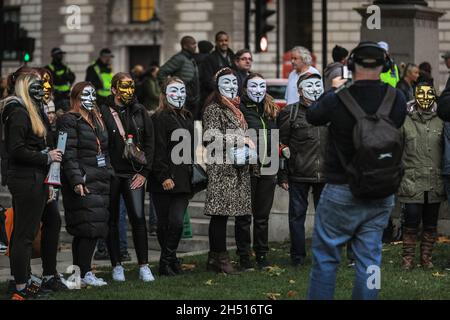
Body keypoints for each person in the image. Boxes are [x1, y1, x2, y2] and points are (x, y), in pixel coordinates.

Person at [305, 42, 407, 300]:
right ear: (385, 66)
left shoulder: (337, 98)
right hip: (381, 190)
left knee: (326, 259)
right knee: (370, 259)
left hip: (341, 188)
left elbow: (313, 116)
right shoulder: (396, 99)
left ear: (350, 65)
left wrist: (336, 89)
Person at [2, 72, 63, 299]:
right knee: (24, 234)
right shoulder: (17, 111)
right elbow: (16, 150)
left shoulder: (33, 110)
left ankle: (45, 276)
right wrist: (46, 157)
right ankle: (21, 286)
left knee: (52, 220)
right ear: (26, 87)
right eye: (37, 83)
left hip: (38, 177)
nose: (42, 87)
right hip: (26, 178)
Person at [99, 72, 155, 282]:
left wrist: (145, 173)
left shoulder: (140, 111)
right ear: (114, 89)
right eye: (124, 87)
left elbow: (150, 143)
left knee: (138, 218)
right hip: (112, 174)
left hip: (134, 174)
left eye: (132, 86)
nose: (129, 91)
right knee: (112, 220)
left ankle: (144, 266)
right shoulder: (103, 111)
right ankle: (117, 266)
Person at [57, 82, 111, 287]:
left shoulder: (97, 119)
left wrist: (109, 171)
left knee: (90, 228)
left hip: (101, 178)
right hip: (83, 181)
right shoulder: (68, 120)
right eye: (84, 95)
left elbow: (104, 149)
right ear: (75, 97)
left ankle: (81, 272)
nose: (90, 99)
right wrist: (77, 179)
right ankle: (83, 272)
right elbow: (67, 153)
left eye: (93, 94)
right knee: (87, 227)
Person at [202, 67, 253, 274]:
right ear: (217, 86)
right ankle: (220, 259)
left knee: (226, 215)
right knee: (219, 215)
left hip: (237, 167)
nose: (231, 86)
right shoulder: (214, 108)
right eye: (226, 83)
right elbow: (209, 138)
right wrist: (242, 140)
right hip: (221, 168)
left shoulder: (236, 108)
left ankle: (214, 259)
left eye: (234, 83)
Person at [278, 72, 327, 267]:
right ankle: (297, 257)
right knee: (296, 218)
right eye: (310, 86)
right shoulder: (289, 113)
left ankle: (323, 256)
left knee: (325, 219)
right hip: (298, 174)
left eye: (318, 85)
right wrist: (282, 175)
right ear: (299, 90)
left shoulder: (328, 112)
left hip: (325, 175)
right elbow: (281, 145)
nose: (315, 89)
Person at [150, 77, 194, 276]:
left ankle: (167, 260)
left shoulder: (187, 116)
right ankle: (169, 262)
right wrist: (163, 176)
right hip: (164, 179)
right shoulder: (159, 117)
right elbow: (157, 149)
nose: (179, 95)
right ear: (165, 94)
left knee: (176, 222)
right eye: (174, 91)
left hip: (184, 178)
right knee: (165, 223)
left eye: (182, 91)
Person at [236, 73, 278, 270]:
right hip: (248, 168)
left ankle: (262, 255)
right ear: (246, 88)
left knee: (262, 215)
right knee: (244, 215)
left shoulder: (271, 109)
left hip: (268, 167)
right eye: (254, 86)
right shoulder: (239, 108)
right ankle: (244, 256)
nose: (259, 90)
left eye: (262, 86)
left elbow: (276, 139)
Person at [399, 83, 443, 270]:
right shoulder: (405, 120)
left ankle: (426, 258)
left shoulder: (441, 120)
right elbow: (396, 149)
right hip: (411, 180)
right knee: (411, 221)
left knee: (431, 223)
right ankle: (407, 259)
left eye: (429, 94)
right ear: (415, 96)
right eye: (421, 94)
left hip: (435, 181)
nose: (425, 98)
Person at [158, 36, 200, 120]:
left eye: (195, 43)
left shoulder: (191, 59)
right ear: (185, 46)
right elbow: (161, 71)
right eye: (192, 44)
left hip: (192, 98)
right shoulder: (179, 58)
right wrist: (166, 88)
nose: (195, 46)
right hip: (183, 97)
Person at [201, 32, 235, 101]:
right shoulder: (210, 58)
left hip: (232, 93)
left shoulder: (233, 57)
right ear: (216, 42)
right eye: (221, 41)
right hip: (216, 96)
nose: (224, 43)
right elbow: (207, 80)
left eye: (226, 40)